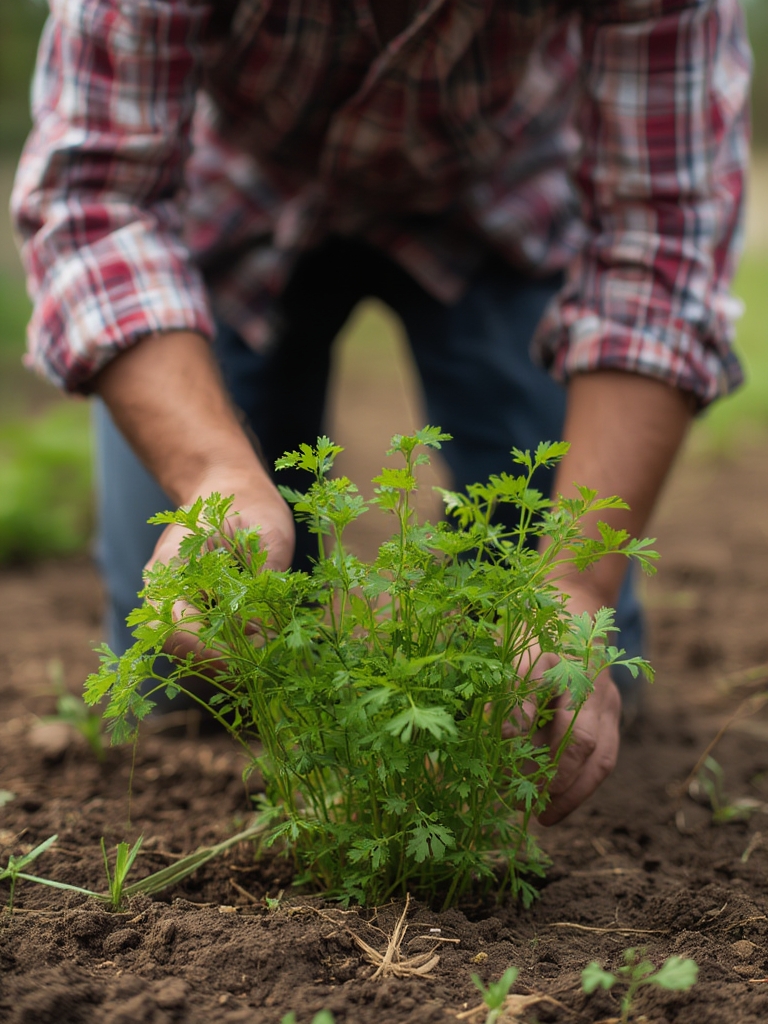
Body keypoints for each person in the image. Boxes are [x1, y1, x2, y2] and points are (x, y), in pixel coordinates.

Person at [11, 0, 750, 825]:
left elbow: (664, 243)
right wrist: (209, 475)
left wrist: (577, 579)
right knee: (189, 663)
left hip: (498, 195)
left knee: (565, 686)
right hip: (235, 194)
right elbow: (94, 199)